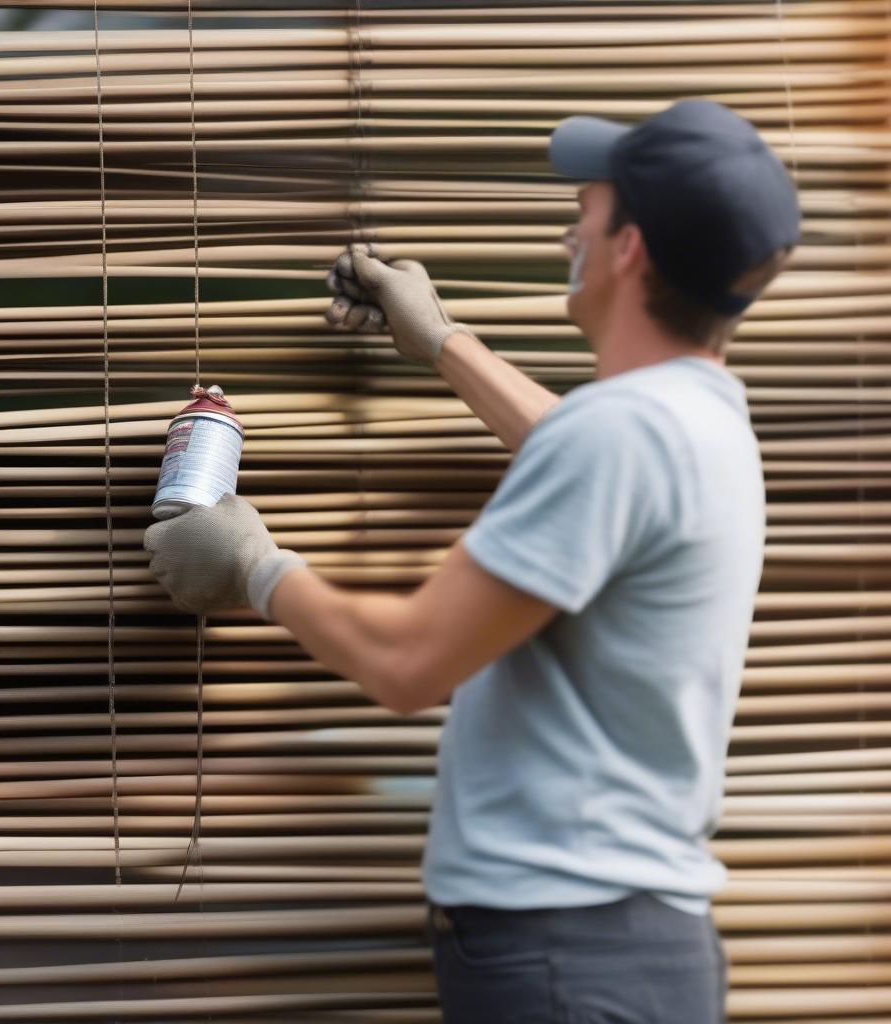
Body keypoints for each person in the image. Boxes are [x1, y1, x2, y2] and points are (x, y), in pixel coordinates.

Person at [145, 98, 799, 1023]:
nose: (571, 221)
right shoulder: (702, 422)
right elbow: (579, 450)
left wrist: (254, 565)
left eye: (592, 206)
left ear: (628, 249)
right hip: (635, 947)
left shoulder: (623, 433)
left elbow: (409, 662)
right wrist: (444, 341)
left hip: (562, 961)